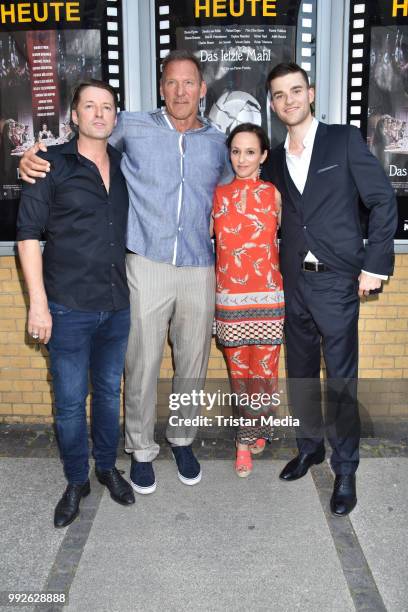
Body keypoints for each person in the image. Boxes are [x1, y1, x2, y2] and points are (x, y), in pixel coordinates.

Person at [19, 50, 230, 496]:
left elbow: (234, 190)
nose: (180, 91)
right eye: (171, 82)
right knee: (140, 364)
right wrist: (32, 157)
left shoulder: (217, 140)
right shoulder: (130, 126)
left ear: (202, 89)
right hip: (145, 264)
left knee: (192, 361)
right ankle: (140, 449)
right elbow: (82, 147)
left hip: (198, 266)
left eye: (188, 83)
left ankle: (183, 440)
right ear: (161, 88)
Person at [263, 62, 397, 516]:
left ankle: (345, 470)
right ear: (274, 103)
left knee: (340, 380)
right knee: (300, 371)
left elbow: (382, 200)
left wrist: (375, 265)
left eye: (295, 91)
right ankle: (309, 448)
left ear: (312, 93)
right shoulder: (276, 160)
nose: (289, 100)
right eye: (279, 95)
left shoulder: (343, 140)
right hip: (293, 283)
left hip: (338, 280)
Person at [17, 80, 135, 528]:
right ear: (75, 115)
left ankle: (105, 467)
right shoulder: (49, 164)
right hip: (66, 307)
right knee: (69, 403)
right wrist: (38, 305)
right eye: (91, 106)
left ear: (115, 116)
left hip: (116, 305)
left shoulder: (126, 166)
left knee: (107, 394)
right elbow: (28, 237)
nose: (100, 114)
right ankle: (74, 481)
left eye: (107, 107)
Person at [213, 123, 284, 477]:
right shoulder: (218, 195)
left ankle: (260, 426)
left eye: (250, 152)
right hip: (231, 302)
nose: (242, 158)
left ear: (263, 156)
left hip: (269, 299)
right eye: (236, 151)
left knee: (265, 374)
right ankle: (244, 443)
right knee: (240, 376)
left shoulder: (274, 194)